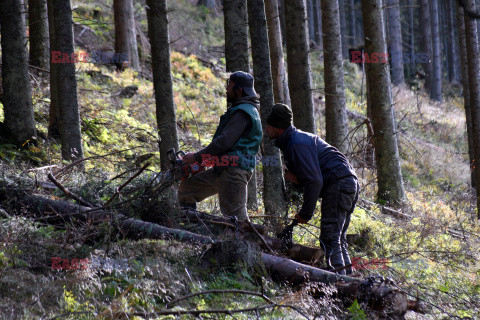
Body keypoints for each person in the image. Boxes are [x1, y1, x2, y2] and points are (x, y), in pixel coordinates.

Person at [266, 103, 359, 275]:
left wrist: (306, 213)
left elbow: (315, 181)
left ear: (276, 127)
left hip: (339, 183)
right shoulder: (295, 140)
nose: (266, 128)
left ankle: (339, 283)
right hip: (348, 181)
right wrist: (299, 179)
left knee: (330, 238)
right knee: (338, 239)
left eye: (268, 125)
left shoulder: (296, 143)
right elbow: (313, 176)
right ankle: (350, 281)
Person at [178, 71, 263, 221]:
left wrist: (197, 157)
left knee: (237, 217)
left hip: (233, 171)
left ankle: (249, 243)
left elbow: (225, 141)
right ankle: (189, 229)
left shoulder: (243, 112)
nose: (226, 89)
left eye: (229, 85)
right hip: (223, 168)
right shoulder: (244, 109)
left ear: (239, 90)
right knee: (187, 189)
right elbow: (230, 145)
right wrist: (208, 160)